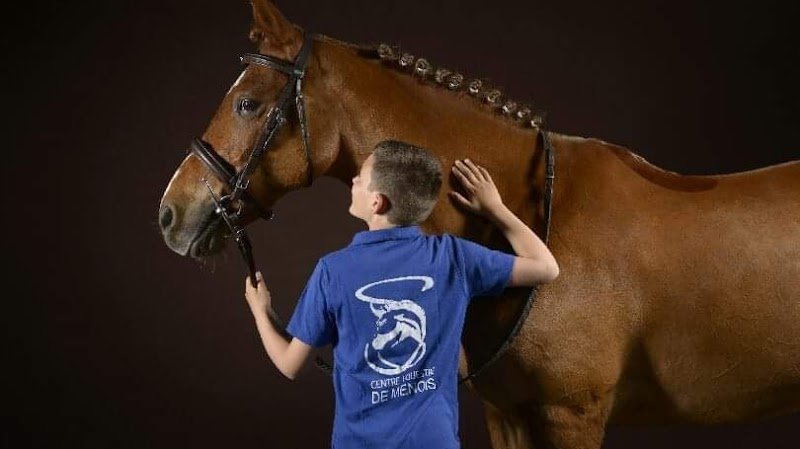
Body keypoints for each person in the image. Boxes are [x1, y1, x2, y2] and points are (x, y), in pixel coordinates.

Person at [244, 140, 559, 449]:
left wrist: (262, 312)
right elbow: (545, 267)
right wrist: (495, 209)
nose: (353, 181)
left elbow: (290, 365)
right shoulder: (453, 257)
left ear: (377, 203)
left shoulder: (333, 271)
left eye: (361, 178)